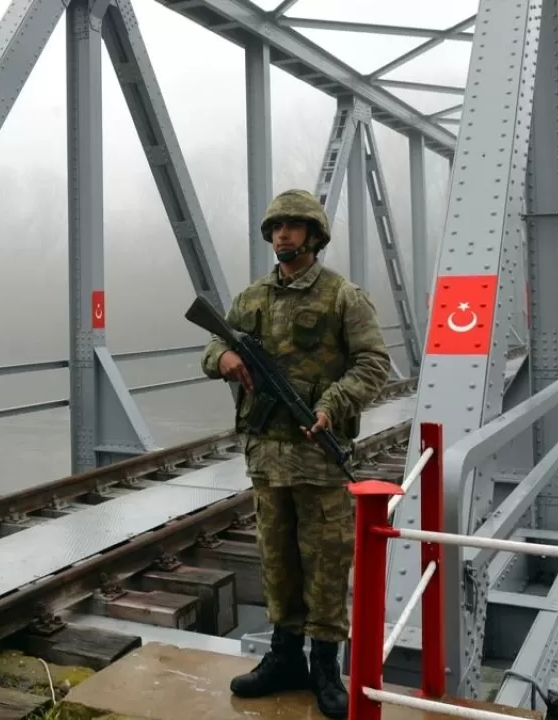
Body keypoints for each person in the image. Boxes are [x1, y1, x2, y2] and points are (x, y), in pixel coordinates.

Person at [200, 189, 391, 718]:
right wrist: (224, 357)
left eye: (294, 225)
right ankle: (284, 659)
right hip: (266, 458)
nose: (283, 233)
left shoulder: (342, 297)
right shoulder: (251, 298)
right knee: (277, 561)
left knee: (326, 564)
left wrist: (332, 403)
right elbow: (213, 345)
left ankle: (325, 668)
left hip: (318, 460)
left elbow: (374, 362)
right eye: (276, 226)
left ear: (314, 234)